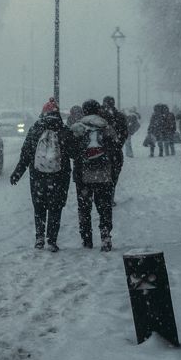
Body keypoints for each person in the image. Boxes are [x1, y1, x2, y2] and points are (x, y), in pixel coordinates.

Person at [9, 97, 74, 251]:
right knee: (55, 208)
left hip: (38, 176)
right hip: (59, 176)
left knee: (39, 207)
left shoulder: (35, 130)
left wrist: (17, 173)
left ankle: (39, 237)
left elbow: (25, 154)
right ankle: (52, 240)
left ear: (42, 113)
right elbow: (73, 153)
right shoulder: (64, 131)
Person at [70, 99, 121, 251]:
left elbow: (72, 152)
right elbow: (116, 151)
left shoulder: (78, 128)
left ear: (84, 111)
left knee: (84, 208)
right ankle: (105, 235)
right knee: (104, 206)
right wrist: (113, 170)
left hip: (83, 176)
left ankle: (86, 239)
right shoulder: (106, 127)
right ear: (98, 110)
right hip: (104, 174)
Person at [100, 96, 128, 192]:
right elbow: (124, 133)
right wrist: (119, 144)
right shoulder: (119, 116)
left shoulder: (98, 116)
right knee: (114, 174)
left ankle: (103, 196)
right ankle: (109, 195)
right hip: (115, 151)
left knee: (101, 175)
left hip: (100, 151)